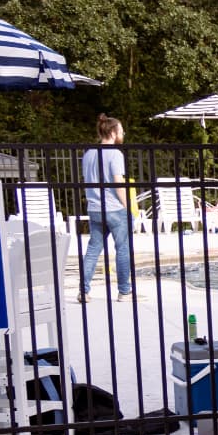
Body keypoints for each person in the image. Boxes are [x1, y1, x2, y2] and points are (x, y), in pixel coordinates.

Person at [79, 113, 132, 302]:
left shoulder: (89, 153)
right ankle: (124, 292)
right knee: (123, 249)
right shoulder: (115, 154)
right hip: (114, 208)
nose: (123, 132)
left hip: (94, 208)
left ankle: (83, 291)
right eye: (120, 129)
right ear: (112, 132)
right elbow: (118, 183)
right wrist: (128, 208)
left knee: (93, 249)